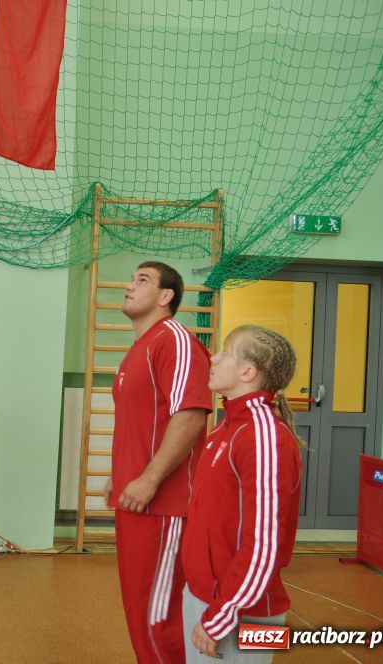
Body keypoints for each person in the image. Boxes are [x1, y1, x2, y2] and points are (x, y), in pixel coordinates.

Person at [105, 261, 213, 663]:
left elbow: (190, 414)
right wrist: (116, 478)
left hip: (164, 507)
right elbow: (141, 425)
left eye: (142, 280)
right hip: (134, 502)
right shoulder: (140, 347)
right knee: (138, 610)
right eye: (131, 277)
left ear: (166, 297)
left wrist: (149, 480)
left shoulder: (175, 341)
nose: (128, 285)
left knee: (158, 617)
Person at [181, 325, 302, 662]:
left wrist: (220, 617)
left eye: (225, 352)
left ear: (248, 372)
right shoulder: (226, 426)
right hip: (206, 598)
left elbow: (263, 546)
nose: (213, 357)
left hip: (240, 612)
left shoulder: (265, 437)